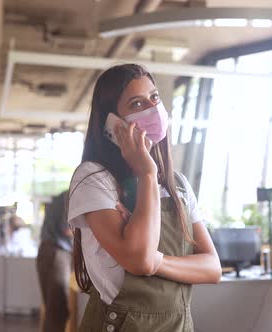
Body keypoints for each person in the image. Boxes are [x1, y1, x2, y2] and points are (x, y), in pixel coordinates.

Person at [68, 64, 222, 331]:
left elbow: (212, 268)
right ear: (112, 123)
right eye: (137, 103)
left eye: (154, 98)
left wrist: (157, 261)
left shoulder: (179, 185)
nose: (152, 109)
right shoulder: (94, 178)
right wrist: (147, 174)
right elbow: (139, 260)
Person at [36, 191, 73, 332]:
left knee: (54, 309)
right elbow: (67, 229)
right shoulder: (70, 196)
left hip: (52, 251)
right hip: (56, 252)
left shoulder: (63, 195)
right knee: (58, 309)